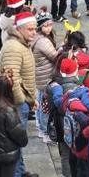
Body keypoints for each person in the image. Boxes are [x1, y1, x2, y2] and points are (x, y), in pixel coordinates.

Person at [0, 11, 40, 177]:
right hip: (15, 103)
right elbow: (12, 79)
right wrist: (22, 101)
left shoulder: (21, 43)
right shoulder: (14, 48)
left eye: (35, 29)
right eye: (30, 29)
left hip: (22, 101)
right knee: (14, 142)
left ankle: (20, 172)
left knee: (18, 140)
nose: (34, 33)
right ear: (19, 29)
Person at [31, 10, 58, 144]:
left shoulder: (36, 38)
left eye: (50, 24)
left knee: (40, 104)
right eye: (46, 25)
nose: (49, 28)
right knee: (44, 107)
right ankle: (45, 131)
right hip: (45, 77)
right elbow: (55, 57)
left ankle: (41, 127)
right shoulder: (43, 42)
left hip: (39, 76)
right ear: (40, 27)